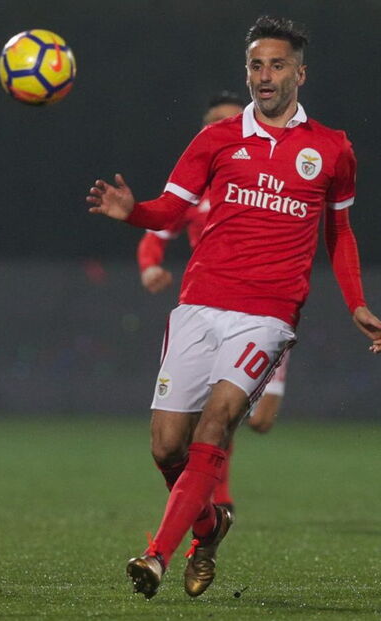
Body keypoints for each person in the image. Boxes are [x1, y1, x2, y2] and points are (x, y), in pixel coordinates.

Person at [86, 15, 381, 601]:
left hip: (269, 313)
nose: (265, 76)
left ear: (301, 73)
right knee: (165, 446)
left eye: (277, 65)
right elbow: (168, 212)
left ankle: (157, 555)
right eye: (255, 65)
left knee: (220, 421)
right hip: (200, 304)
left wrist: (357, 303)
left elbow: (341, 233)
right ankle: (209, 524)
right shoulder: (215, 140)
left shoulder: (332, 149)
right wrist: (133, 212)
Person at [137, 91, 288, 514]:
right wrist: (150, 267)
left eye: (235, 120)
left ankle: (210, 494)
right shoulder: (197, 187)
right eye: (218, 122)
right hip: (210, 310)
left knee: (259, 421)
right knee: (212, 415)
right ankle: (216, 500)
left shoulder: (266, 178)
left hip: (261, 310)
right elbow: (156, 232)